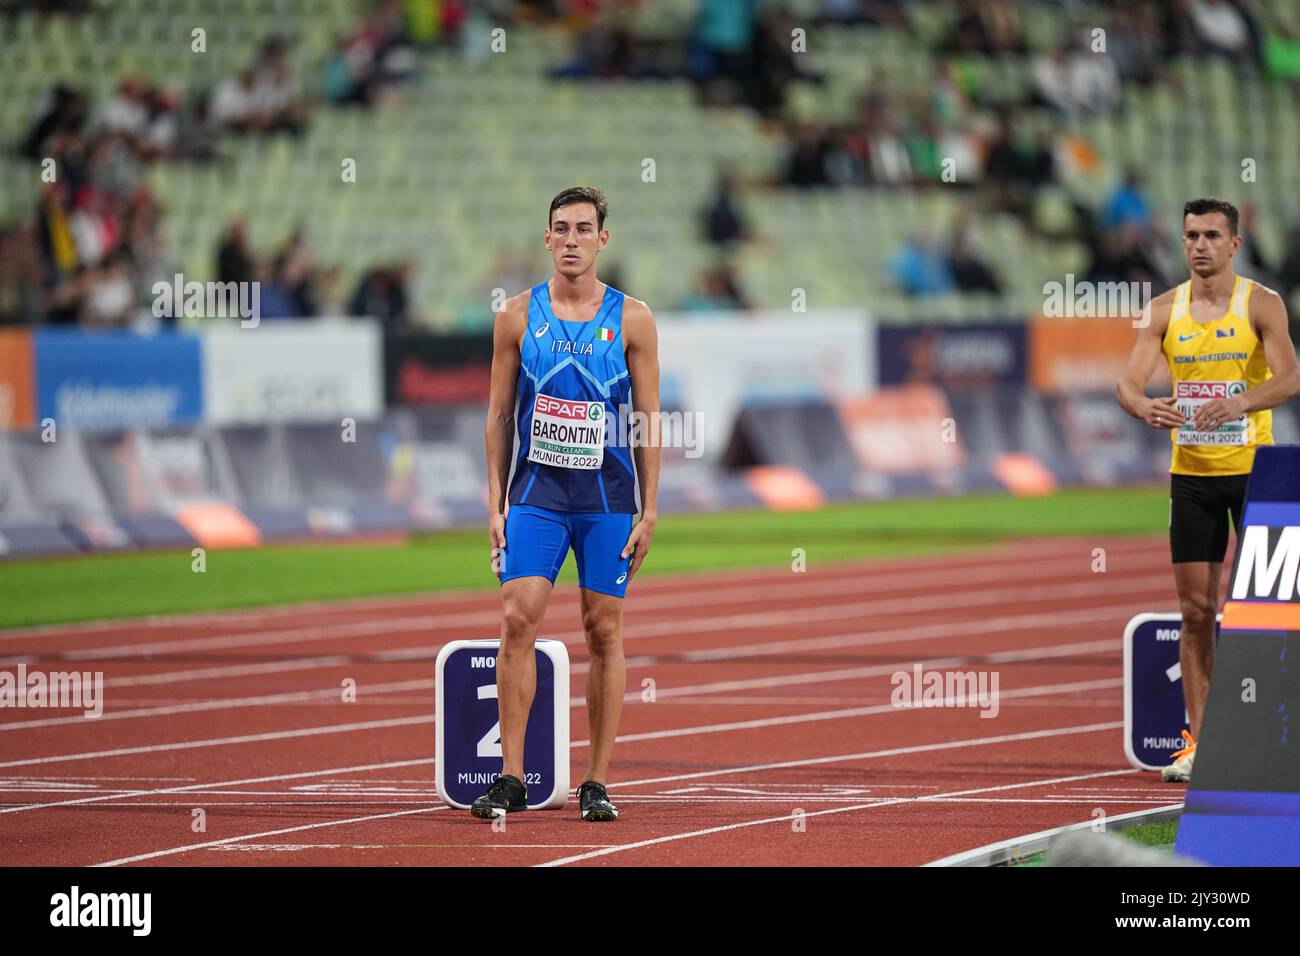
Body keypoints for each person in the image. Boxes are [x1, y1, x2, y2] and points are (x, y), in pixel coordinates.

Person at [475, 186, 661, 821]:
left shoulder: (633, 318)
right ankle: (511, 777)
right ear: (547, 238)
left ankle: (596, 780)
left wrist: (651, 508)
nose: (573, 238)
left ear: (602, 239)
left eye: (585, 228)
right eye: (562, 228)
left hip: (607, 498)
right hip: (537, 494)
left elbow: (647, 419)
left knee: (603, 628)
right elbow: (500, 414)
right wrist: (495, 500)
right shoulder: (516, 316)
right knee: (517, 617)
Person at [1117, 197, 1300, 783]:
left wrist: (1241, 401)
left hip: (1257, 474)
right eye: (1190, 235)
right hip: (1192, 477)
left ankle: (1278, 734)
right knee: (1196, 612)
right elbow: (1127, 383)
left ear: (1234, 244)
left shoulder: (1262, 304)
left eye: (1211, 236)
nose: (1199, 245)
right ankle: (1202, 742)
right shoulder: (1164, 311)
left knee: (1272, 612)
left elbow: (1291, 377)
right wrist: (1144, 406)